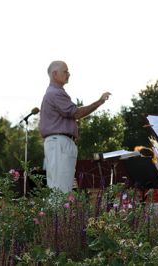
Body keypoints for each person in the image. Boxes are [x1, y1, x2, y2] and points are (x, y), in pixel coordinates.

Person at [39, 60, 111, 193]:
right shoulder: (55, 93)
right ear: (55, 74)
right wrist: (99, 102)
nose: (68, 74)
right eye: (65, 71)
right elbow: (76, 113)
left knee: (59, 188)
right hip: (59, 143)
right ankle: (57, 214)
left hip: (58, 143)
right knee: (60, 190)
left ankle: (56, 214)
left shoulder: (53, 92)